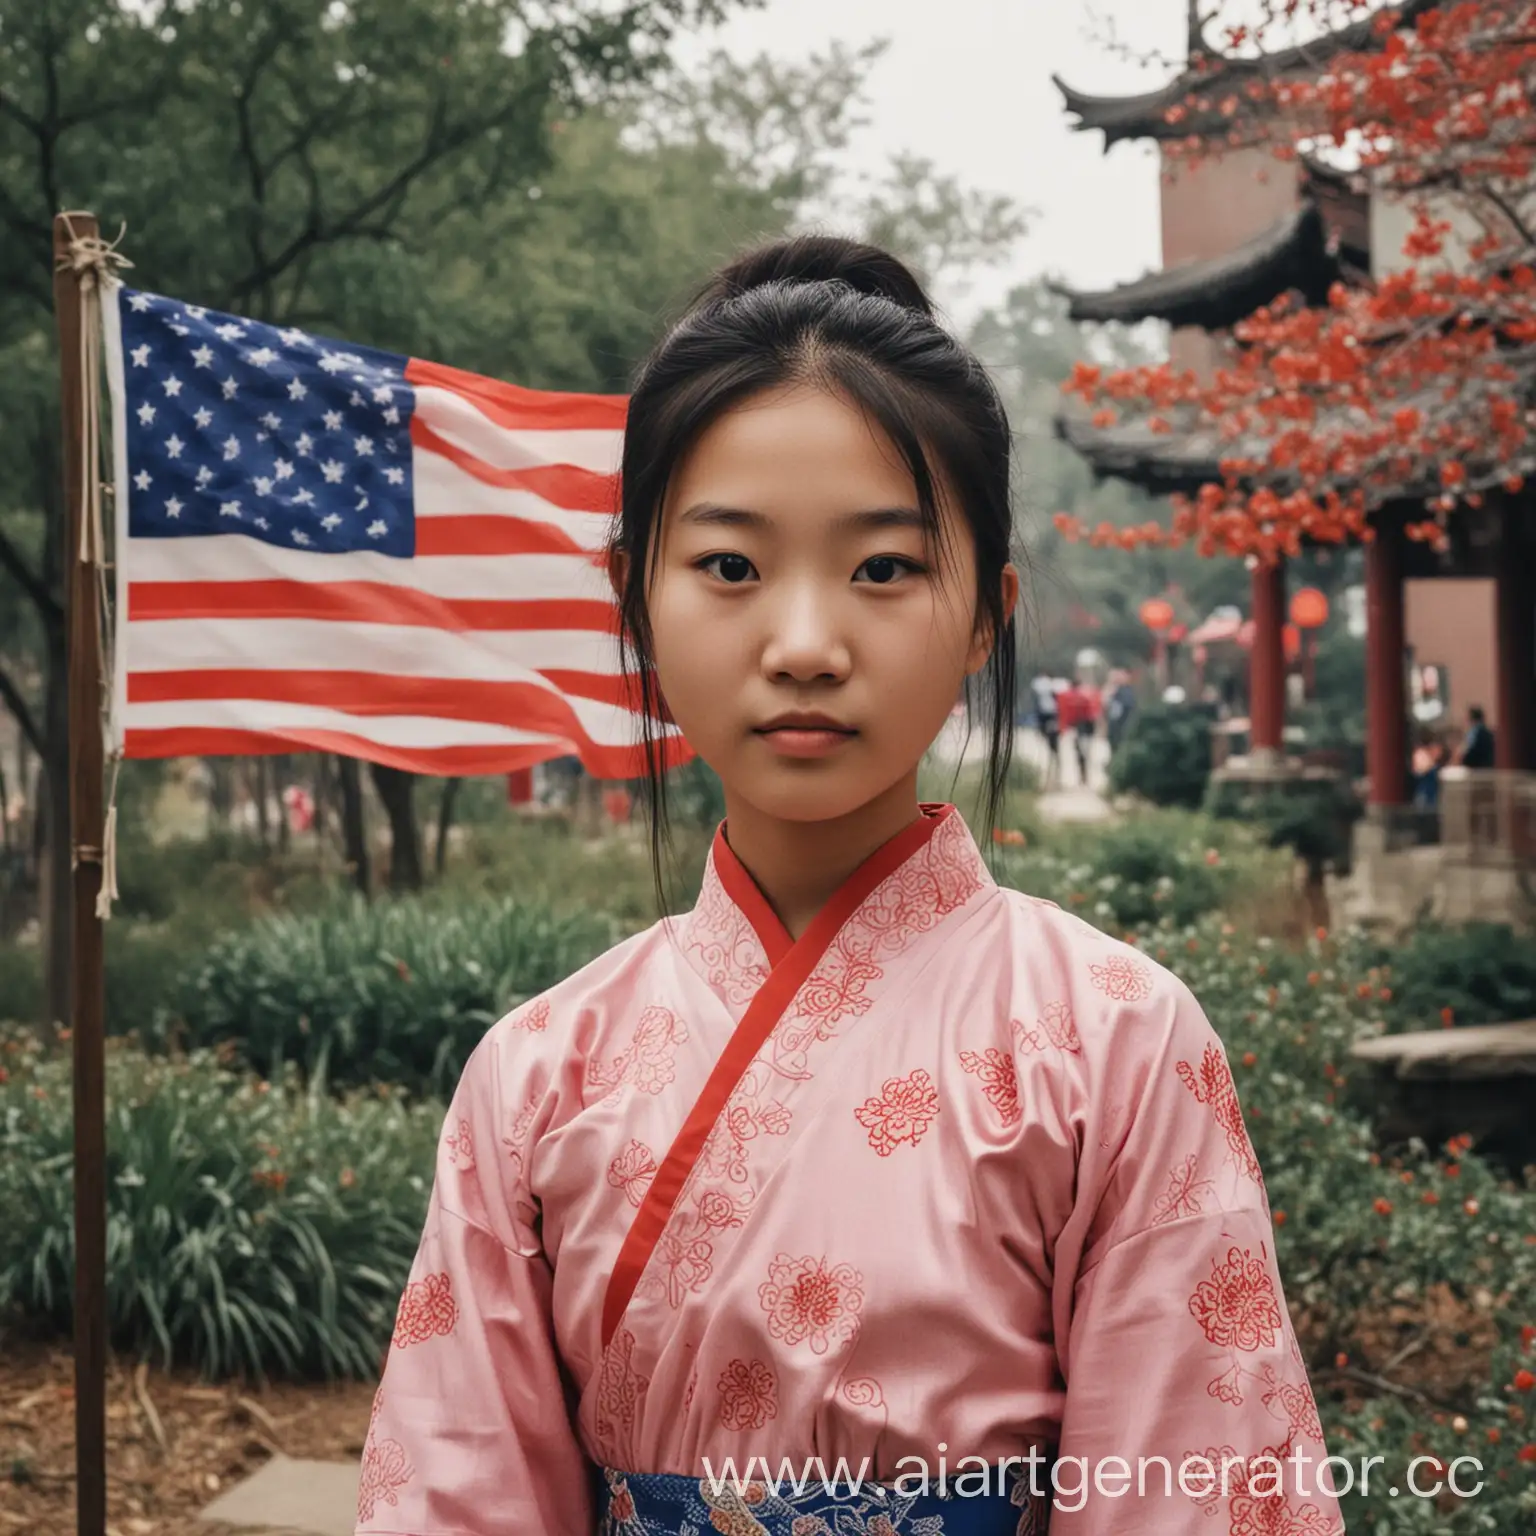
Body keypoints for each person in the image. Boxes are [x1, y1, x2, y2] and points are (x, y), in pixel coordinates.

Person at [358, 236, 1340, 1536]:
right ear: (633, 599)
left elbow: (1197, 1495)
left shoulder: (1115, 1043)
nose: (807, 644)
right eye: (729, 568)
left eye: (883, 568)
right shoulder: (539, 1075)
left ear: (987, 612)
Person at [1458, 705, 1496, 769]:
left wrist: (1463, 760)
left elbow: (1469, 751)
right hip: (1488, 768)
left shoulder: (1474, 733)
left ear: (1471, 718)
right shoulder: (1488, 733)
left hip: (1476, 769)